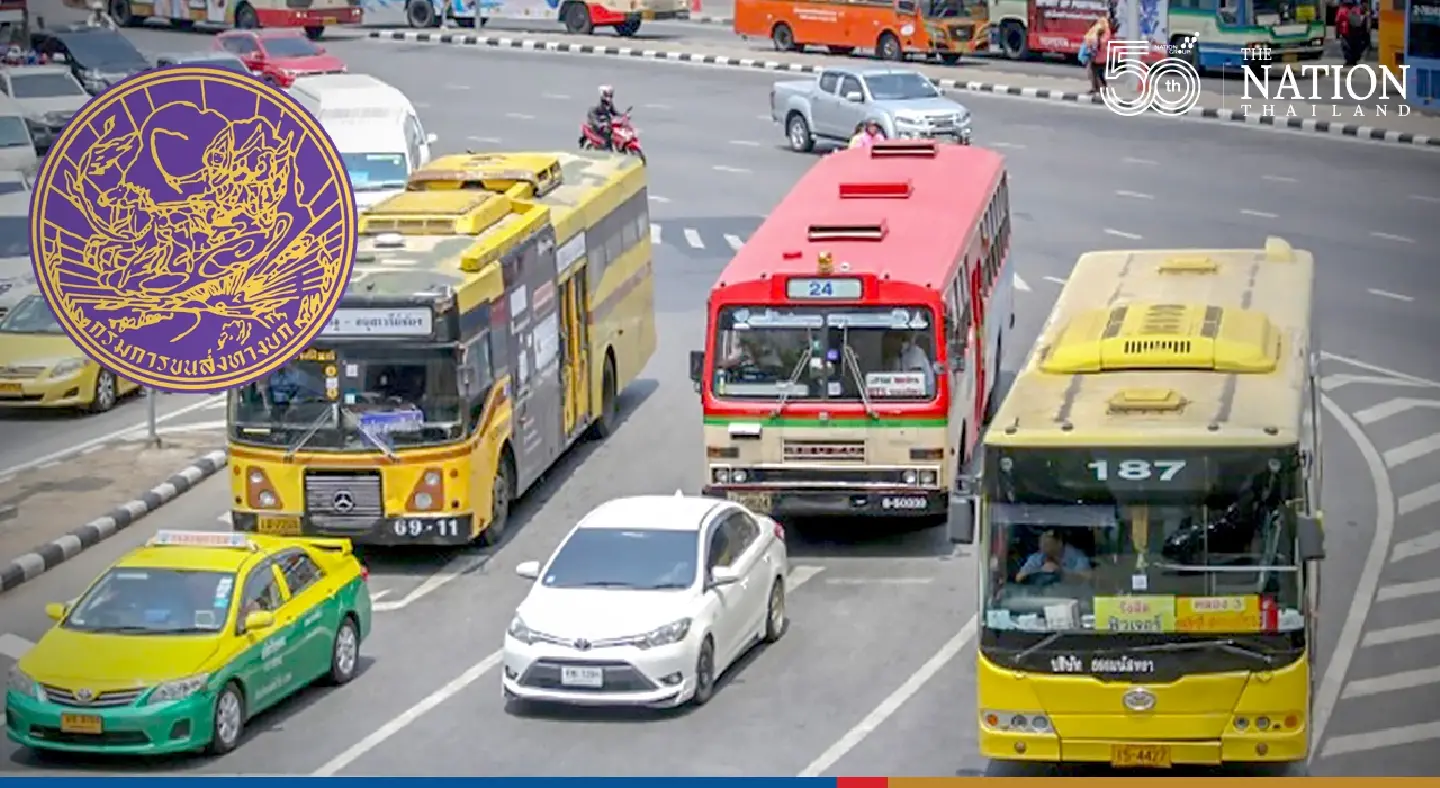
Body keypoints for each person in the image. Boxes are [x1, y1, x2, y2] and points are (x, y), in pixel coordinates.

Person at [1016, 529, 1092, 583]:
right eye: (1041, 543)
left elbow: (1086, 579)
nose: (1042, 547)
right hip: (1041, 595)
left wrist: (1060, 573)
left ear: (1059, 543)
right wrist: (1040, 571)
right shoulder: (1037, 557)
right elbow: (1019, 578)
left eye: (1047, 545)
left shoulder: (1077, 557)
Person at [1083, 15, 1112, 95]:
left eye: (1102, 22)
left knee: (1100, 74)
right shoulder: (1095, 29)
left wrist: (1097, 39)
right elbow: (1089, 37)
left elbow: (1103, 42)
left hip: (1101, 56)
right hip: (1094, 55)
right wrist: (1089, 40)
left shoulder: (1106, 31)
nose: (1100, 24)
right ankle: (1095, 88)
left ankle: (1103, 88)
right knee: (1092, 72)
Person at [588, 85, 619, 151]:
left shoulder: (609, 104)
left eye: (610, 95)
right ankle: (606, 148)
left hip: (607, 124)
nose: (609, 97)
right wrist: (600, 125)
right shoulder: (598, 106)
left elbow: (614, 113)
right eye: (607, 94)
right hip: (598, 126)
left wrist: (623, 116)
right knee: (606, 135)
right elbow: (593, 118)